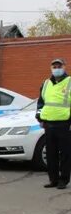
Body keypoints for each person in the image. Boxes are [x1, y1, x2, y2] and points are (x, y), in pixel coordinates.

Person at [36, 58, 70, 189]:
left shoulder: (69, 82)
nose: (56, 69)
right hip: (49, 124)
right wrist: (40, 117)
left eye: (59, 66)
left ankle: (63, 180)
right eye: (54, 67)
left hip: (64, 124)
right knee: (51, 154)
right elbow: (41, 103)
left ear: (64, 67)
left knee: (65, 154)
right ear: (51, 68)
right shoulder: (46, 84)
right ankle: (53, 179)